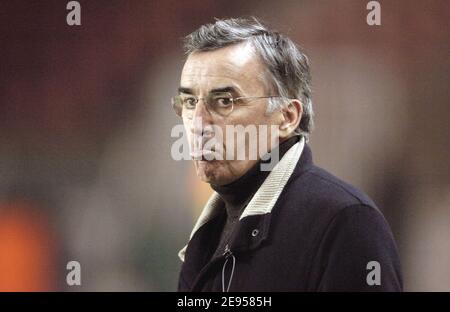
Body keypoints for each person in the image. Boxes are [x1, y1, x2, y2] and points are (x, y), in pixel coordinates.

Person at [172, 17, 402, 291]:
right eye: (189, 102)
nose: (198, 123)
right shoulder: (208, 235)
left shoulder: (347, 223)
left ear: (287, 117)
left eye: (224, 101)